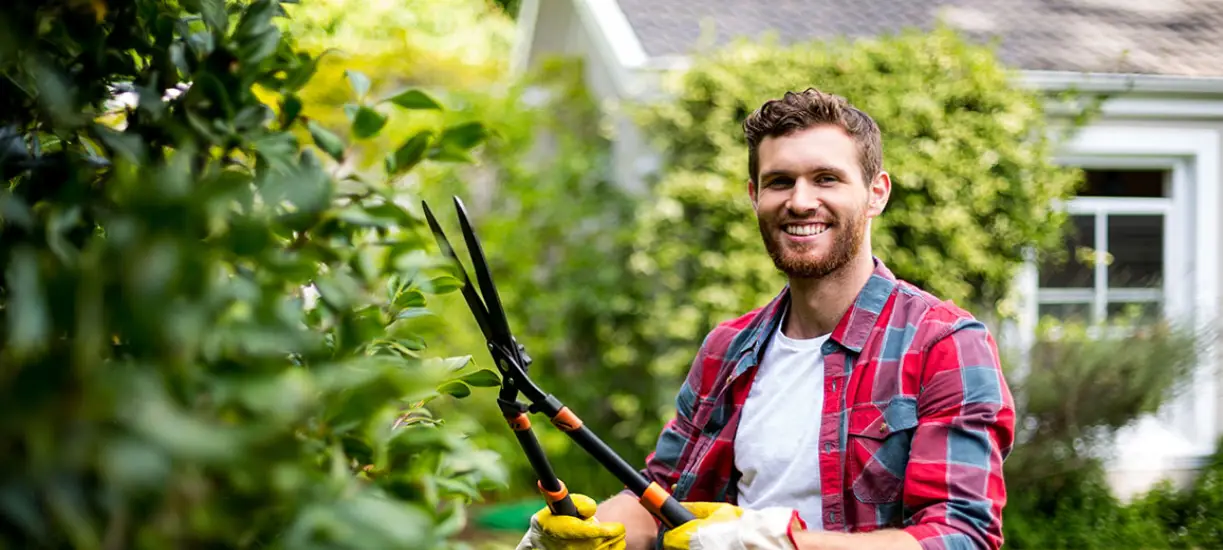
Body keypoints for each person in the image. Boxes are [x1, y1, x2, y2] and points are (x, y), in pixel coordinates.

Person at [517, 88, 1016, 550]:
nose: (800, 201)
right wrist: (584, 533)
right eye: (780, 182)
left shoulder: (942, 344)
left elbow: (960, 535)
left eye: (826, 178)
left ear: (876, 193)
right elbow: (661, 496)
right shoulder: (727, 349)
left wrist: (777, 543)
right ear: (755, 195)